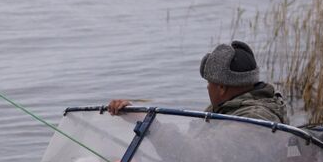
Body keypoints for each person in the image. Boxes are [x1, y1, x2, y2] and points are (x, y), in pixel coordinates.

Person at [107, 40, 288, 123]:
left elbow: (201, 160)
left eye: (210, 83)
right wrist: (138, 117)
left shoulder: (254, 118)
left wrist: (151, 125)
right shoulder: (226, 109)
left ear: (222, 87)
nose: (208, 88)